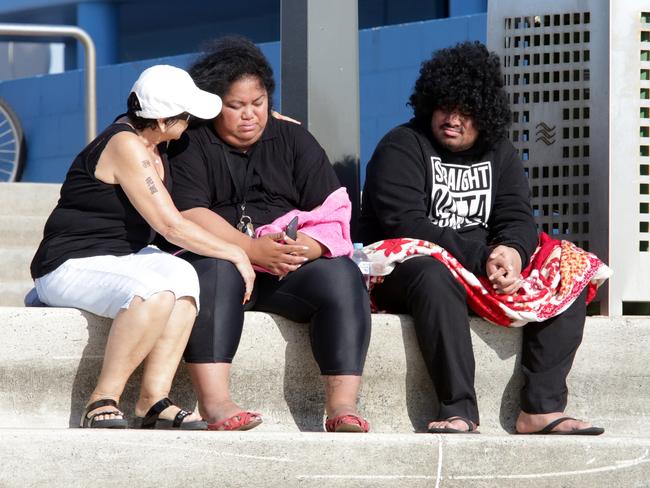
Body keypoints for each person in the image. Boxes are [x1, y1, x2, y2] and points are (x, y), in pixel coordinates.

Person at [359, 41, 604, 435]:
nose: (452, 119)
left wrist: (511, 253)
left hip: (484, 267)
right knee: (431, 271)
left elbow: (517, 216)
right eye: (444, 106)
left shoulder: (500, 152)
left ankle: (540, 408)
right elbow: (405, 225)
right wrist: (482, 259)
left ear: (484, 113)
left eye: (465, 111)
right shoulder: (401, 145)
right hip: (407, 271)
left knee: (572, 265)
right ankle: (458, 409)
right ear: (428, 102)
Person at [30, 65, 255, 429]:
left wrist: (275, 120)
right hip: (69, 264)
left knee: (184, 277)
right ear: (164, 121)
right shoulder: (125, 145)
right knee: (155, 292)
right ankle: (102, 398)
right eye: (187, 117)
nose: (192, 123)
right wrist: (236, 252)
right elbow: (169, 225)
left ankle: (153, 400)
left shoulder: (156, 138)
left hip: (121, 257)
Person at [166, 36, 371, 432]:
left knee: (342, 275)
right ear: (212, 105)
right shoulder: (190, 142)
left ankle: (342, 406)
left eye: (257, 104)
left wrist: (304, 249)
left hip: (284, 268)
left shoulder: (294, 140)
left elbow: (334, 210)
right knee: (216, 270)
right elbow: (188, 212)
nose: (250, 116)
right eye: (236, 106)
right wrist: (248, 249)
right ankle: (216, 403)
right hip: (221, 260)